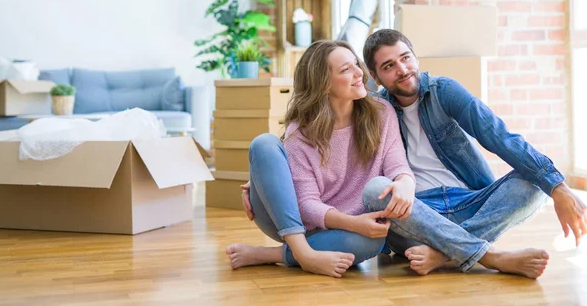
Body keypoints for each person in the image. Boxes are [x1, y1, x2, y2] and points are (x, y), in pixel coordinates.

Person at [228, 40, 550, 279]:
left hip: (367, 225)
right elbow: (305, 202)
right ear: (324, 84)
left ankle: (445, 253)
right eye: (347, 69)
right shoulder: (303, 130)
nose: (359, 74)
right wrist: (260, 179)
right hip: (298, 224)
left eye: (357, 65)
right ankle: (490, 257)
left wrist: (406, 184)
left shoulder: (381, 112)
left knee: (374, 239)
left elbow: (398, 166)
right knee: (265, 144)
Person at [360, 28, 587, 275]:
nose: (402, 70)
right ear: (376, 76)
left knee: (534, 182)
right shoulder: (379, 112)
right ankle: (489, 256)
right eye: (389, 66)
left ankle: (445, 253)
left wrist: (558, 188)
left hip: (470, 205)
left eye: (405, 58)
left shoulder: (444, 91)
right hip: (419, 215)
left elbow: (499, 136)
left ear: (415, 57)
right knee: (375, 190)